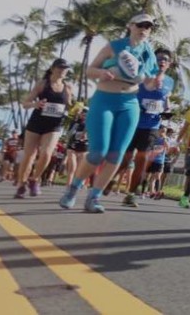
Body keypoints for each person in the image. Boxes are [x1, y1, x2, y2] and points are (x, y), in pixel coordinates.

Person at [59, 13, 159, 214]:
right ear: (130, 25)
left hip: (129, 104)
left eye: (149, 27)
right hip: (104, 100)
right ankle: (73, 188)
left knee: (116, 154)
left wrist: (154, 82)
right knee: (98, 152)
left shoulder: (149, 53)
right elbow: (90, 70)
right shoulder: (115, 46)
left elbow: (148, 81)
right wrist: (101, 73)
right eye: (141, 25)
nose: (144, 29)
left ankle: (93, 197)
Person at [116, 47, 175, 208]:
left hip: (151, 126)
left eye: (165, 59)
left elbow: (165, 102)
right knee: (125, 159)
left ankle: (131, 194)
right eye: (159, 58)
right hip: (132, 122)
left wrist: (167, 111)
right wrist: (135, 106)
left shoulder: (169, 82)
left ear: (169, 64)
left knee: (141, 161)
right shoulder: (141, 76)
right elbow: (128, 93)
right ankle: (107, 182)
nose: (162, 61)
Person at [15, 58, 74, 198]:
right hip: (36, 122)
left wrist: (74, 109)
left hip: (54, 124)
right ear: (53, 69)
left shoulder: (68, 87)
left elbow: (70, 106)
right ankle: (21, 184)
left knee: (47, 153)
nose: (62, 71)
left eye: (65, 69)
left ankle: (34, 179)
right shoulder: (42, 84)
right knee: (29, 155)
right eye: (60, 68)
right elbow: (25, 103)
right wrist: (35, 104)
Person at [63, 107, 89, 188]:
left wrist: (86, 134)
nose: (84, 115)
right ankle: (68, 187)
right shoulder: (75, 122)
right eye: (82, 113)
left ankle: (76, 186)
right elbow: (69, 134)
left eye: (86, 113)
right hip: (72, 147)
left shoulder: (91, 123)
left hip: (84, 148)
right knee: (72, 167)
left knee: (79, 169)